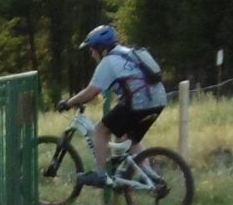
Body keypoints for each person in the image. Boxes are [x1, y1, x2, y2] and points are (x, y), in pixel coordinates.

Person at [58, 24, 166, 186]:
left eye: (92, 49)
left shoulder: (108, 62)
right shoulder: (128, 52)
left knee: (100, 131)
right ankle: (152, 179)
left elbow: (91, 92)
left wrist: (68, 103)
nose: (91, 53)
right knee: (131, 139)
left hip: (138, 103)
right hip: (158, 100)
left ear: (100, 48)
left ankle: (100, 175)